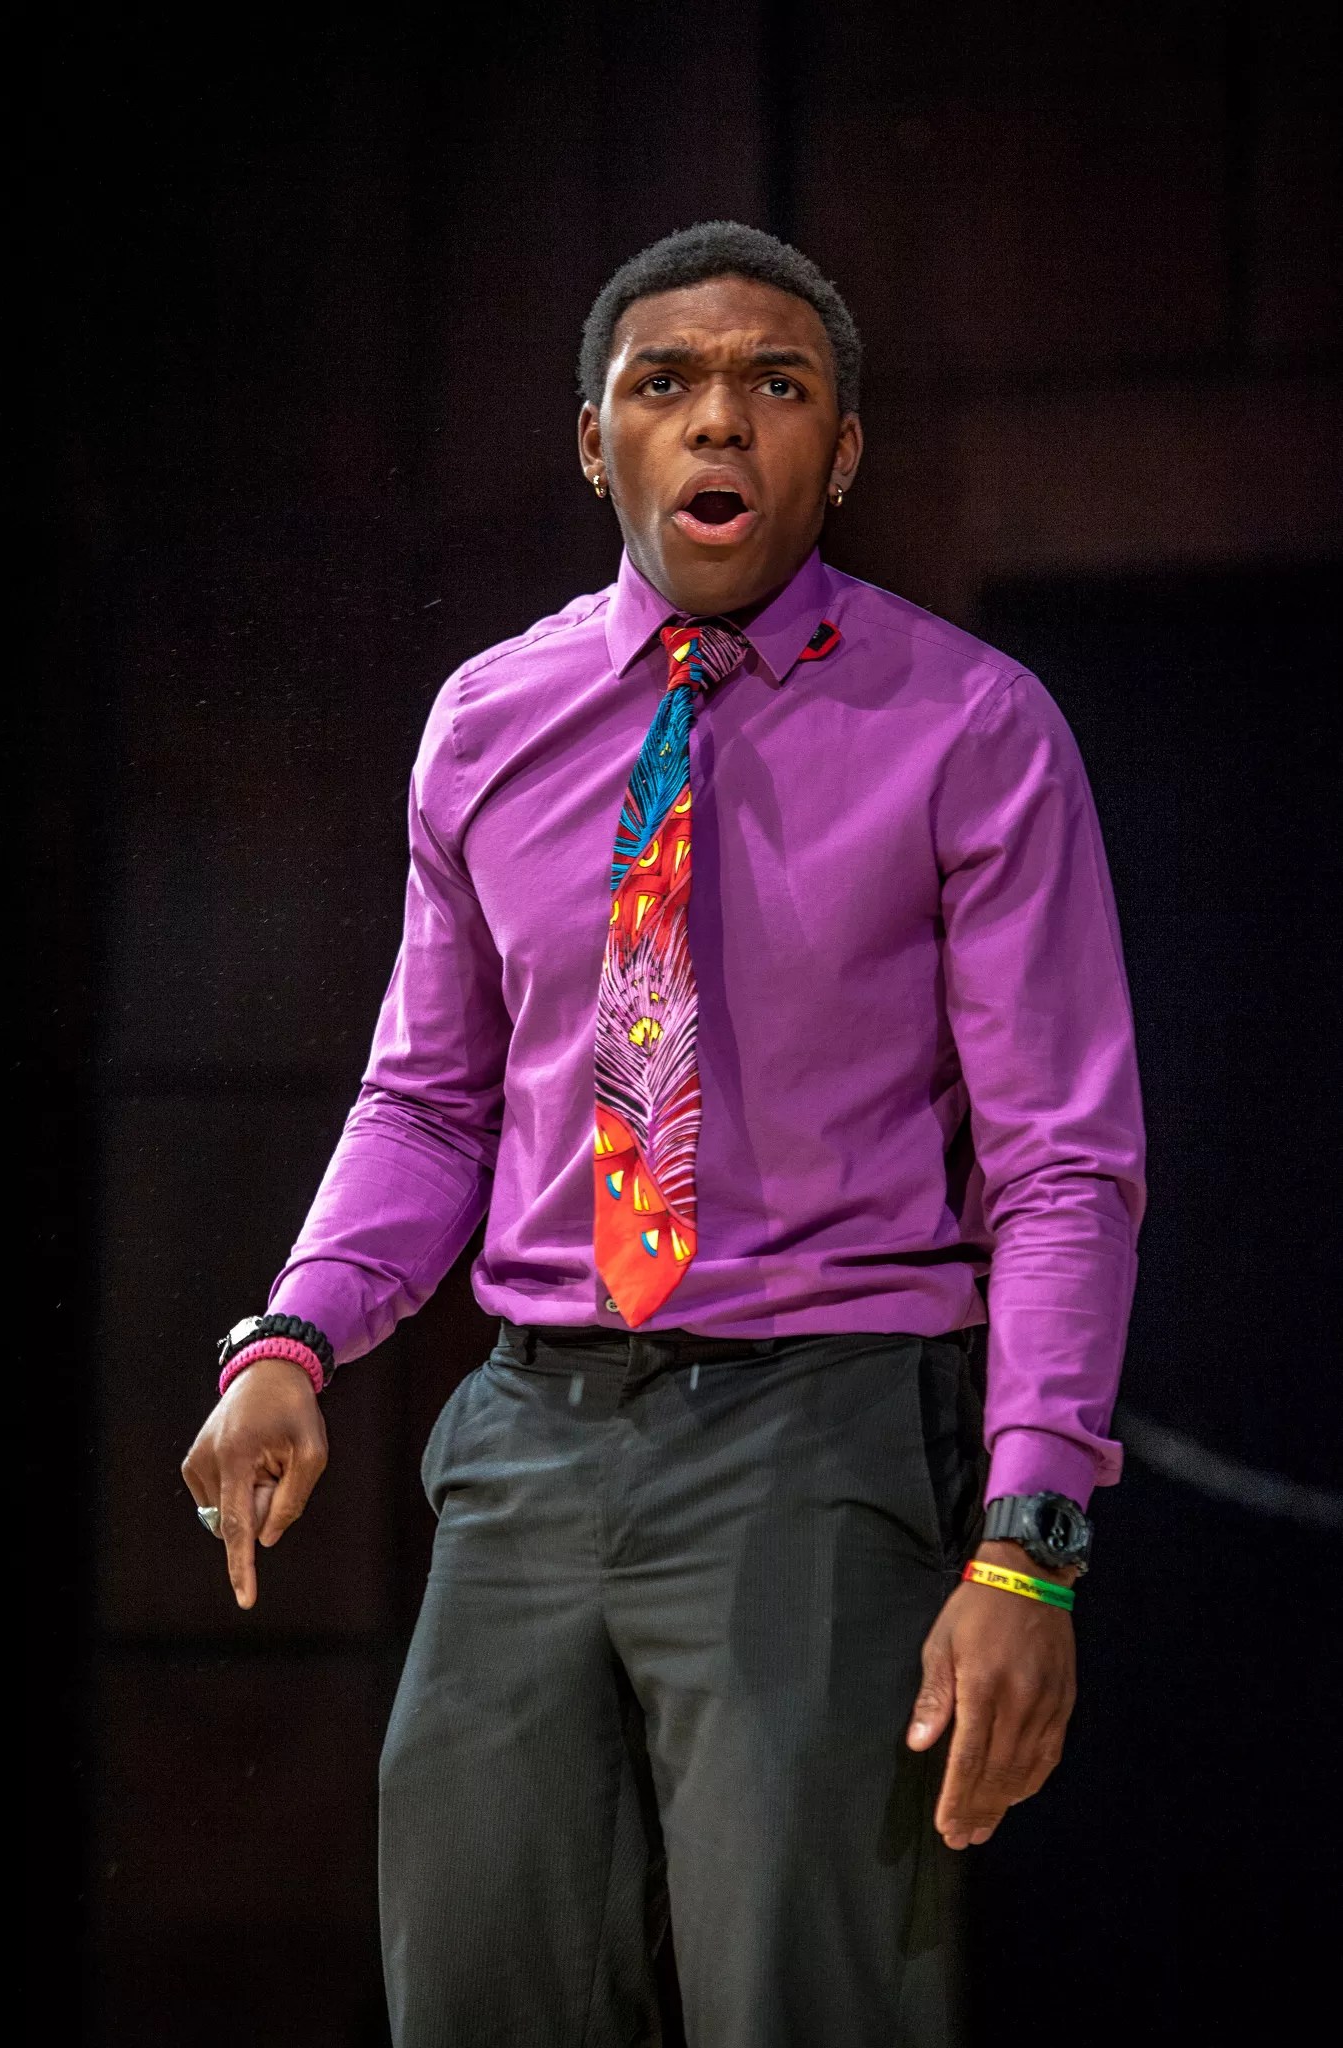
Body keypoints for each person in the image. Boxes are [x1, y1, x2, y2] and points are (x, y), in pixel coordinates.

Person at [183, 220, 1145, 2047]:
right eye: (666, 384)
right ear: (591, 439)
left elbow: (1060, 1168)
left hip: (824, 1431)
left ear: (839, 453)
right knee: (477, 1991)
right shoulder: (489, 720)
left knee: (802, 2002)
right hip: (528, 1438)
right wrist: (293, 1335)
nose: (719, 422)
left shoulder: (969, 726)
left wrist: (1028, 1542)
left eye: (775, 387)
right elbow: (429, 1096)